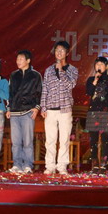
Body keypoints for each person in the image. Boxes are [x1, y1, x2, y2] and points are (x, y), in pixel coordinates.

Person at [39, 40, 78, 175]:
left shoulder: (72, 70)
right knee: (50, 140)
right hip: (50, 109)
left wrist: (61, 70)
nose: (59, 53)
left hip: (65, 109)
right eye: (57, 50)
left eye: (62, 51)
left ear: (67, 53)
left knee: (64, 139)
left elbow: (70, 85)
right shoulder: (49, 70)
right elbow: (45, 89)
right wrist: (43, 107)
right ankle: (50, 166)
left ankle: (62, 166)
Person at [6, 50, 42, 174]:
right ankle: (17, 164)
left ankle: (27, 165)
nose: (18, 61)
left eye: (21, 59)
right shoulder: (13, 75)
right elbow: (10, 93)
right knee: (16, 141)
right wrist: (9, 108)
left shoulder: (35, 75)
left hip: (28, 111)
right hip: (14, 112)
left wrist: (37, 107)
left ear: (28, 60)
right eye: (17, 59)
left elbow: (39, 92)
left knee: (27, 141)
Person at [85, 56, 108, 172]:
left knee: (105, 138)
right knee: (93, 139)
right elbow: (89, 92)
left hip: (105, 111)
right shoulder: (90, 79)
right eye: (97, 64)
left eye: (101, 64)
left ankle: (104, 163)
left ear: (106, 67)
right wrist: (95, 81)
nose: (99, 66)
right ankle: (94, 163)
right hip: (93, 112)